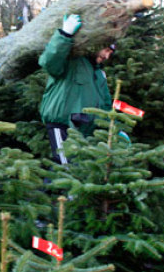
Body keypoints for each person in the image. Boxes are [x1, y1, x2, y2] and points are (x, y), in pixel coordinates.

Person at [38, 14, 115, 165]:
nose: (107, 56)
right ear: (97, 45)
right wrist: (64, 35)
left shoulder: (99, 73)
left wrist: (114, 130)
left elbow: (106, 105)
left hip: (86, 131)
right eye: (106, 50)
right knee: (65, 168)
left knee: (77, 173)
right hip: (62, 125)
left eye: (110, 53)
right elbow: (49, 62)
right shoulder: (72, 60)